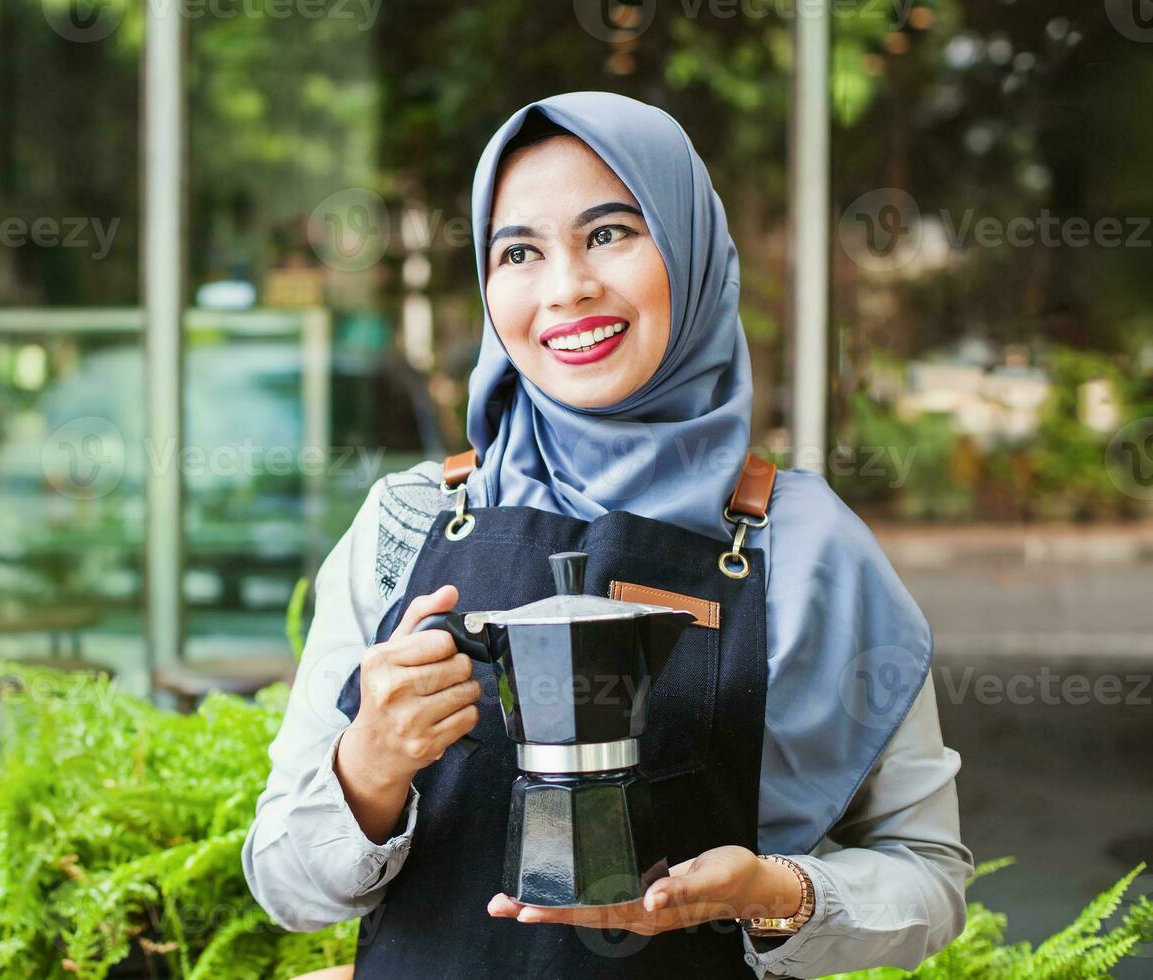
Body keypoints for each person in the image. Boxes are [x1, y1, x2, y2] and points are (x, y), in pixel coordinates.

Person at [242, 91, 972, 979]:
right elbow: (287, 884)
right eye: (519, 251)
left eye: (611, 234)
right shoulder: (409, 520)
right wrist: (369, 765)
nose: (567, 287)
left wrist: (774, 893)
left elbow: (927, 876)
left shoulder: (807, 547)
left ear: (692, 251)